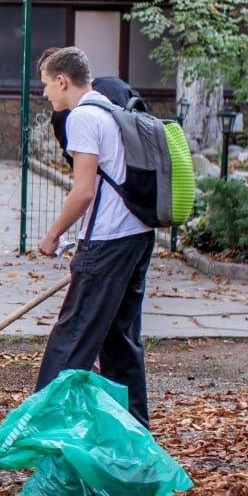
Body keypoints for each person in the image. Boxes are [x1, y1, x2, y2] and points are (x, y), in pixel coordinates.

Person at [35, 47, 155, 428]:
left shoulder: (83, 117)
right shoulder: (111, 106)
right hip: (137, 236)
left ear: (62, 80)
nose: (45, 95)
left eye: (45, 85)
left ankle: (40, 431)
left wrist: (54, 234)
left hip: (107, 242)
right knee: (121, 341)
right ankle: (135, 432)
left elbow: (83, 191)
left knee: (71, 340)